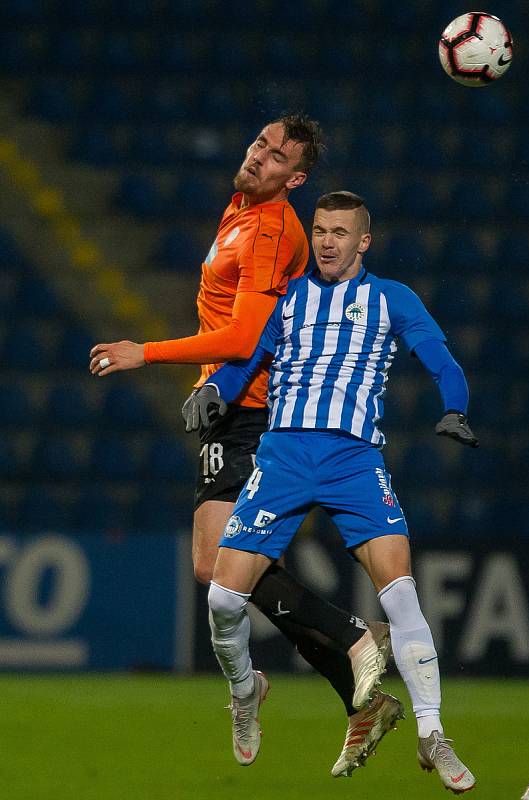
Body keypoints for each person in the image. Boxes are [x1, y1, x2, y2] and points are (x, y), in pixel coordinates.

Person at [89, 119, 401, 769]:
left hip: (260, 412)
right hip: (230, 410)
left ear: (296, 177)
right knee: (215, 569)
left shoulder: (267, 227)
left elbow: (241, 335)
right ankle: (353, 687)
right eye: (259, 144)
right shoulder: (240, 208)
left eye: (276, 156)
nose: (258, 156)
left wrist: (141, 352)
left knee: (230, 568)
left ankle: (353, 639)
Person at [186, 191, 478, 792]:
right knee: (221, 598)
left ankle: (432, 733)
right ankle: (245, 691)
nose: (325, 241)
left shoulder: (391, 298)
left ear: (363, 241)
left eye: (339, 232)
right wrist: (219, 388)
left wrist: (456, 408)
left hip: (353, 460)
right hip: (284, 455)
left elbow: (442, 359)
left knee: (400, 594)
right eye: (319, 230)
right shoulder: (287, 298)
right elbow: (250, 362)